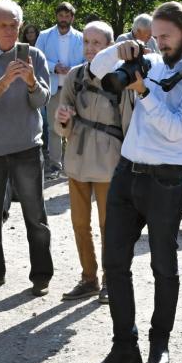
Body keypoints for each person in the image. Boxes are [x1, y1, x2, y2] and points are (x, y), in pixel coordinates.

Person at [79, 1, 182, 363]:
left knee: (163, 266)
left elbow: (179, 129)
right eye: (155, 37)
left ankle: (160, 343)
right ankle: (124, 349)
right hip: (126, 172)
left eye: (166, 36)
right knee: (114, 263)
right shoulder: (153, 61)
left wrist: (144, 93)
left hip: (165, 180)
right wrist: (120, 49)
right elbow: (95, 70)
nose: (159, 43)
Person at [0, 0, 53, 296]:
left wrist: (31, 82)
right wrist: (6, 79)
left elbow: (41, 101)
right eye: (3, 25)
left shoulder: (35, 56)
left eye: (14, 25)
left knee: (36, 217)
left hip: (27, 146)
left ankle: (41, 276)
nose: (9, 30)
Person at [52, 21, 135, 303]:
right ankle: (89, 278)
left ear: (110, 47)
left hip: (109, 161)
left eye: (97, 43)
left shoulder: (121, 79)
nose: (90, 48)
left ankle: (111, 279)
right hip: (77, 157)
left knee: (109, 225)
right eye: (86, 42)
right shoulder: (75, 76)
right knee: (79, 223)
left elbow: (129, 124)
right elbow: (61, 124)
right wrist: (63, 119)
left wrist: (129, 165)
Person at [36, 2, 85, 174]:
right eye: (61, 15)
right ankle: (56, 164)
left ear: (72, 18)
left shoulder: (81, 37)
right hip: (53, 87)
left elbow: (88, 60)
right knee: (54, 128)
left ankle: (74, 162)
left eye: (67, 16)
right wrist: (53, 67)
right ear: (56, 16)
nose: (63, 19)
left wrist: (73, 70)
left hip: (74, 89)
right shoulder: (44, 35)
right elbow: (37, 58)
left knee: (75, 126)